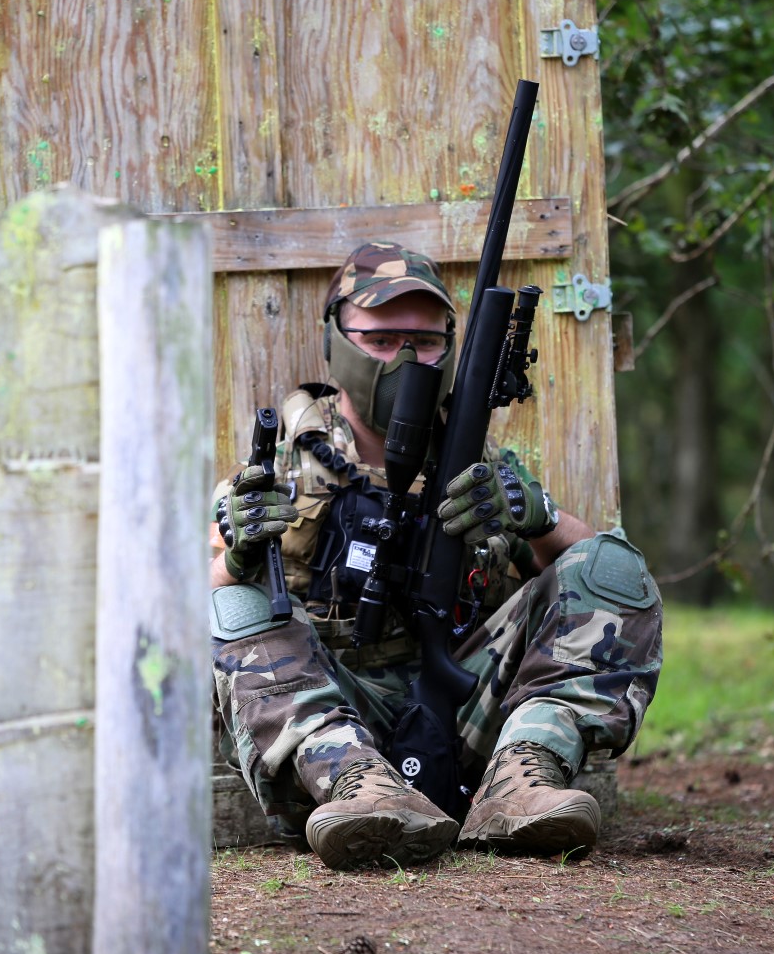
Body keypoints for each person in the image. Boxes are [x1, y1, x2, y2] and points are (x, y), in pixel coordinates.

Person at [209, 241, 662, 871]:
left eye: (423, 342)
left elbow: (589, 569)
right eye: (381, 339)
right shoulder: (277, 467)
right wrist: (236, 559)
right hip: (332, 722)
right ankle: (358, 787)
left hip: (470, 714)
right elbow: (202, 599)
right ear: (337, 341)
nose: (404, 358)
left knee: (612, 566)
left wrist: (535, 514)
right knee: (232, 605)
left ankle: (523, 776)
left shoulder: (477, 465)